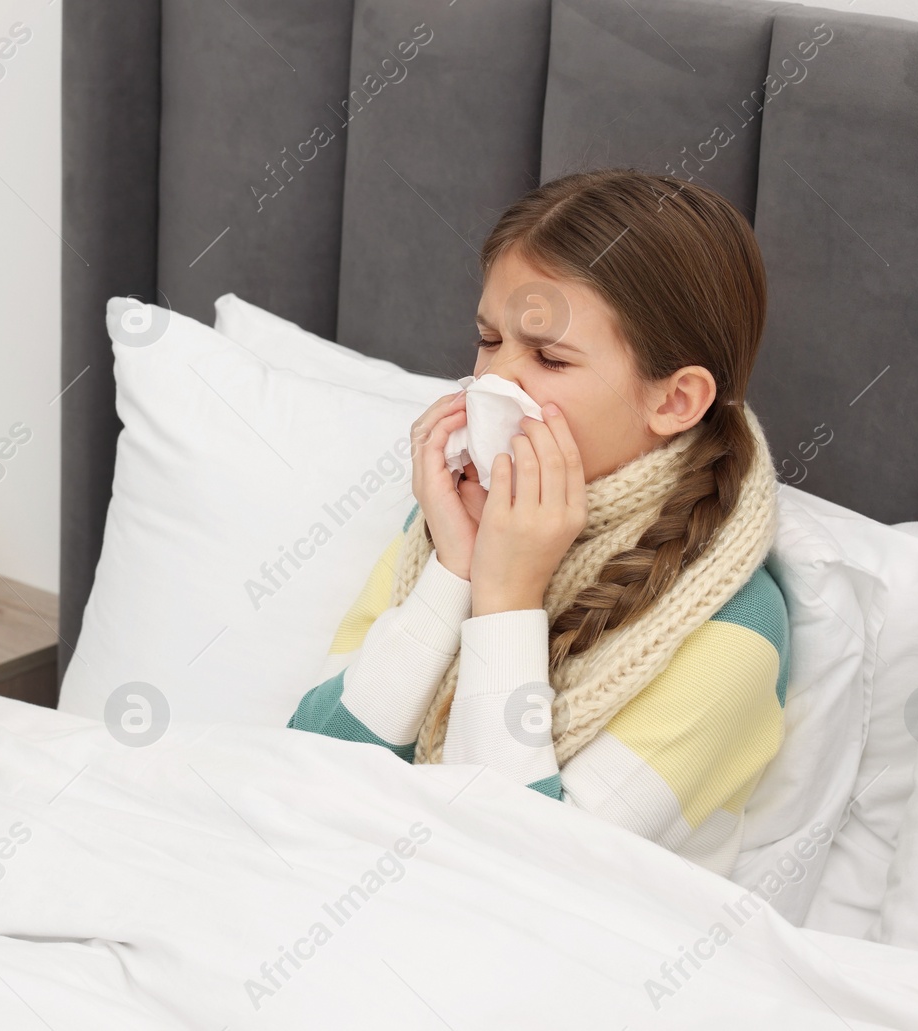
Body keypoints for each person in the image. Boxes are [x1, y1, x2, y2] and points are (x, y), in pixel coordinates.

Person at [287, 169, 791, 876]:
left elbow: (510, 874)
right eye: (489, 340)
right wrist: (451, 572)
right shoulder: (444, 520)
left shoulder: (735, 630)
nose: (497, 381)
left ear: (676, 401)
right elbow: (308, 765)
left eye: (550, 356)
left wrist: (505, 597)